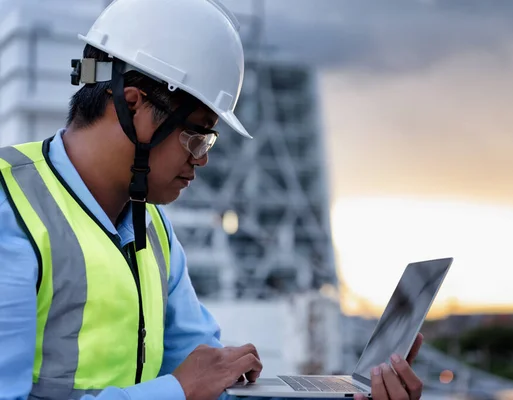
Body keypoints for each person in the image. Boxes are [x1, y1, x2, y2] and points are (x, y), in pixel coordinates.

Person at [0, 0, 425, 399]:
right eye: (197, 136)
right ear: (134, 106)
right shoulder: (10, 211)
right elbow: (188, 386)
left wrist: (354, 392)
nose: (200, 160)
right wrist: (176, 391)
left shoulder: (153, 230)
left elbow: (209, 383)